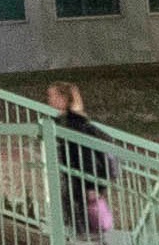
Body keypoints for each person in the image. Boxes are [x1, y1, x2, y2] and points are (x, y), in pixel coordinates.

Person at [47, 83, 117, 235]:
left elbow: (86, 155)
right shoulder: (65, 120)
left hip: (81, 181)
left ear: (63, 98)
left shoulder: (75, 123)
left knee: (85, 224)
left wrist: (92, 186)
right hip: (75, 178)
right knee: (81, 223)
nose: (49, 99)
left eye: (52, 95)